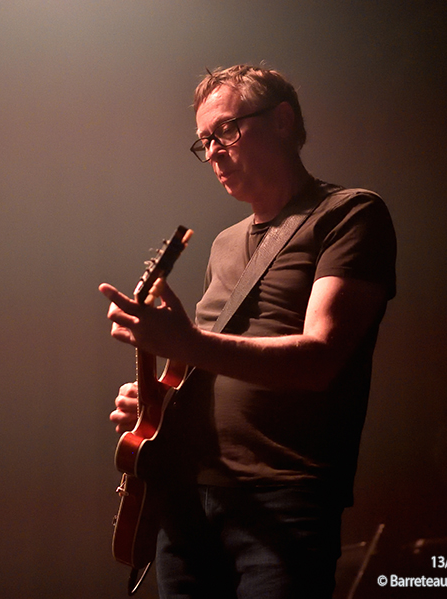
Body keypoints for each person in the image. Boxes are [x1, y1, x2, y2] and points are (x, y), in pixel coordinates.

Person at [99, 64, 396, 599]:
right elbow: (207, 363)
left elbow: (320, 359)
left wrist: (187, 343)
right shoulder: (223, 244)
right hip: (186, 498)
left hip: (281, 497)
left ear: (282, 121)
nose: (213, 152)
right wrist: (157, 404)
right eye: (204, 141)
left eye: (226, 130)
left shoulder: (350, 214)